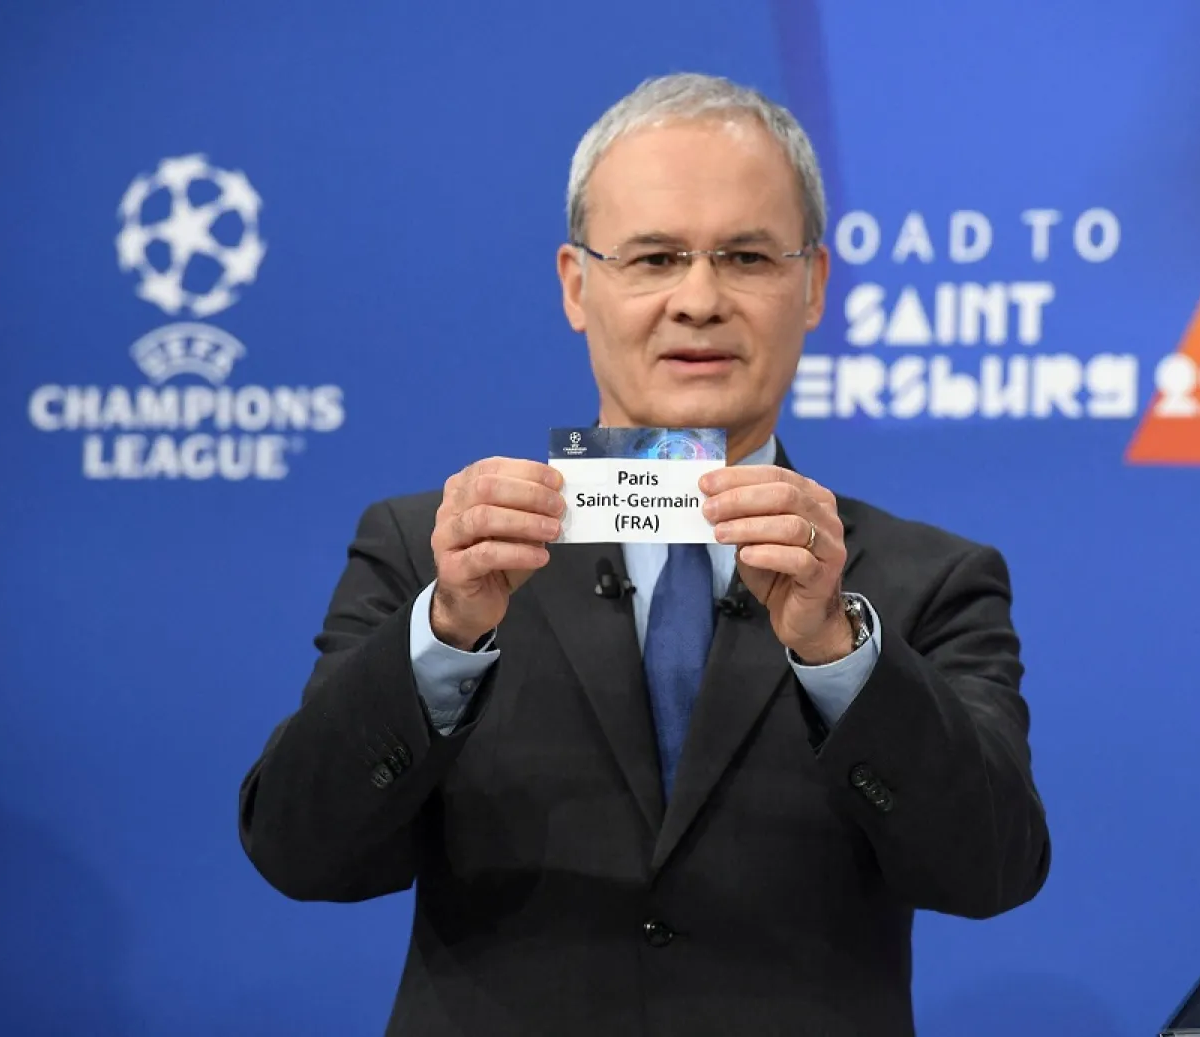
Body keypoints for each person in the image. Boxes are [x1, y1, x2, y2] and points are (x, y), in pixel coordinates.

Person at [239, 72, 1050, 1037]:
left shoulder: (923, 580)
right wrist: (447, 636)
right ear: (578, 285)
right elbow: (300, 851)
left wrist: (838, 654)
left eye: (746, 255)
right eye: (656, 257)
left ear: (813, 285)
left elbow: (991, 870)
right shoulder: (432, 553)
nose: (699, 299)